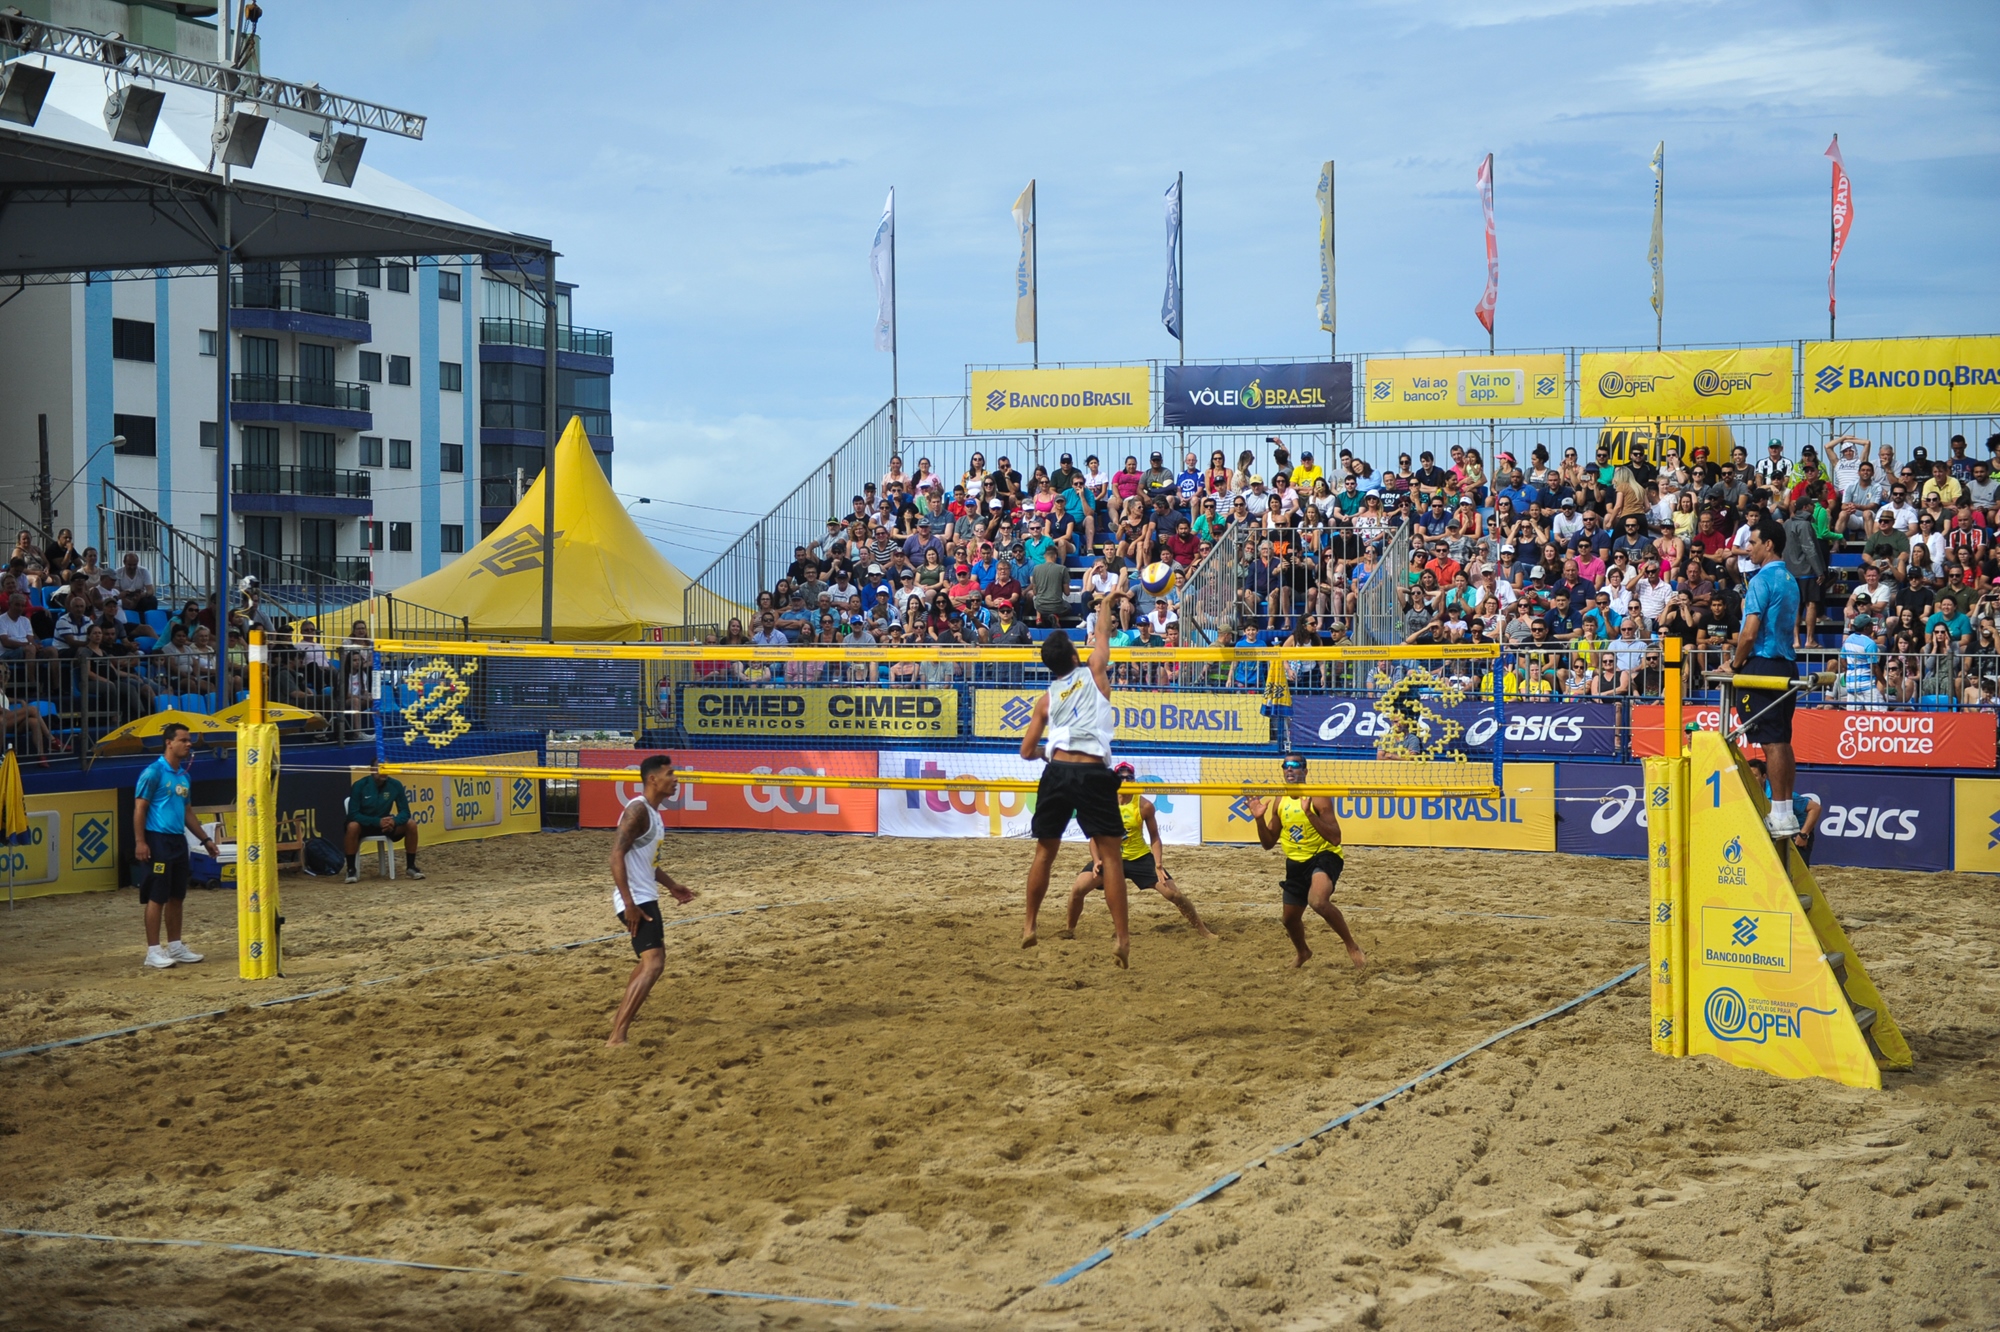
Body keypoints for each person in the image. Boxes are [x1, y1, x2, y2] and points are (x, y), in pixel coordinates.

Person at [1017, 572, 1131, 966]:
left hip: (1058, 771)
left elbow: (1026, 750)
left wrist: (1049, 756)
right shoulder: (1095, 670)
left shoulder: (1045, 699)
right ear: (1073, 656)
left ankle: (1030, 925)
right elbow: (1102, 634)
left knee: (1044, 853)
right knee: (1113, 858)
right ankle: (1121, 938)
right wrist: (1107, 601)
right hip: (1093, 772)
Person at [1062, 763, 1217, 942]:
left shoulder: (1144, 805)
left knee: (1173, 894)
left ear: (1134, 780)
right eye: (1121, 777)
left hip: (1139, 858)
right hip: (1109, 859)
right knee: (1078, 889)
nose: (1125, 780)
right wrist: (1096, 860)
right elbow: (1095, 838)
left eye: (1129, 777)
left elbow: (1155, 838)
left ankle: (1203, 930)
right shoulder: (1103, 803)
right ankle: (1069, 930)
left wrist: (1158, 864)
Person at [1719, 517, 1803, 839]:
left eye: (1752, 542)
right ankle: (1783, 813)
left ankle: (1781, 816)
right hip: (1786, 663)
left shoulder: (1760, 581)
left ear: (1768, 544)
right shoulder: (1790, 579)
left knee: (1771, 743)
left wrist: (1736, 664)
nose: (1748, 548)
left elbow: (1750, 633)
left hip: (1764, 663)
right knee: (1781, 741)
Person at [607, 755, 699, 1047]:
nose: (676, 779)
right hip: (636, 899)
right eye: (670, 774)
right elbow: (615, 856)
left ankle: (619, 1021)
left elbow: (648, 862)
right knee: (654, 963)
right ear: (652, 779)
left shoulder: (654, 813)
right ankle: (617, 1036)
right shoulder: (637, 810)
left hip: (645, 895)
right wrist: (629, 903)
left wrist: (671, 885)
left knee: (649, 962)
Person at [1252, 754, 1366, 969]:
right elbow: (1268, 843)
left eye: (1295, 766)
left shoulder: (1317, 797)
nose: (1290, 770)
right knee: (1289, 920)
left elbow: (1335, 837)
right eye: (1286, 766)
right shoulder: (1280, 801)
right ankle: (1303, 952)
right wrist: (1258, 819)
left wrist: (1309, 815)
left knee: (1318, 901)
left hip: (1324, 856)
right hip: (1296, 862)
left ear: (1305, 771)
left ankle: (1351, 945)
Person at [133, 722, 220, 969]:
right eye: (183, 740)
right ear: (169, 742)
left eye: (189, 740)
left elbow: (187, 811)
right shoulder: (153, 773)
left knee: (177, 895)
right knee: (157, 895)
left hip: (178, 841)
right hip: (157, 839)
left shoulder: (184, 776)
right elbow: (140, 808)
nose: (188, 744)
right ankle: (152, 951)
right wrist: (140, 842)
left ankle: (175, 946)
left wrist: (205, 839)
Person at [343, 762, 426, 882]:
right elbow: (353, 814)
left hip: (386, 825)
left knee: (411, 824)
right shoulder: (360, 785)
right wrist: (377, 821)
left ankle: (411, 867)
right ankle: (351, 870)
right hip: (364, 825)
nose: (383, 771)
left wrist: (394, 821)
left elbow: (405, 812)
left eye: (386, 768)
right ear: (372, 770)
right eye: (380, 768)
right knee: (352, 826)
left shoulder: (395, 785)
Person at [1746, 757, 1822, 864]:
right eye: (1748, 776)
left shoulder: (1779, 794)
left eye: (1755, 776)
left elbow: (1815, 808)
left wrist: (1803, 835)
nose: (1751, 780)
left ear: (1764, 777)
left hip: (1797, 833)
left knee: (1796, 874)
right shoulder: (1746, 794)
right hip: (1774, 832)